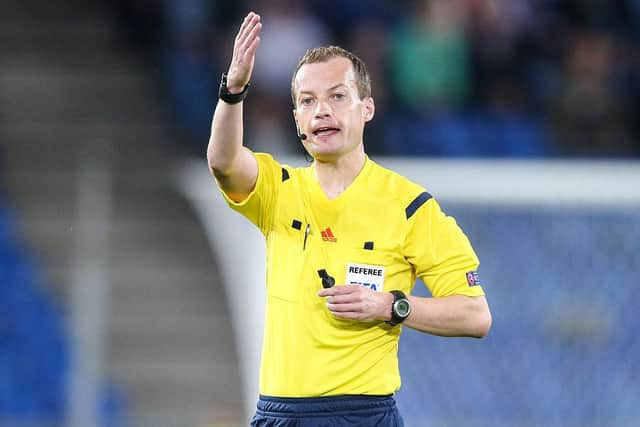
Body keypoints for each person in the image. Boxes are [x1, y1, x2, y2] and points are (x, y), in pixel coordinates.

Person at [207, 11, 492, 427]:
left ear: (367, 108)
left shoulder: (410, 206)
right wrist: (233, 91)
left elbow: (475, 316)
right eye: (308, 101)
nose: (322, 110)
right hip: (279, 413)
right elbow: (222, 161)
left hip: (362, 414)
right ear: (298, 121)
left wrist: (389, 305)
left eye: (338, 96)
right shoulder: (278, 188)